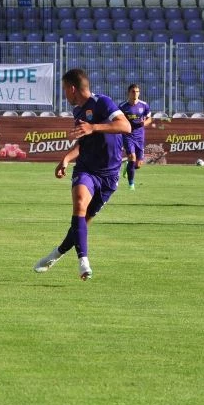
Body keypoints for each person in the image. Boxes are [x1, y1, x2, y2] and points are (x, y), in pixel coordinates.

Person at [33, 69, 131, 280]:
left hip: (109, 175)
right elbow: (83, 144)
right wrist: (67, 158)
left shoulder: (102, 102)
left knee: (81, 224)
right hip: (86, 169)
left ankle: (55, 254)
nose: (64, 95)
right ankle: (83, 261)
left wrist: (94, 127)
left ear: (72, 88)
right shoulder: (78, 112)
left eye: (64, 90)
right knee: (79, 204)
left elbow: (126, 126)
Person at [119, 84, 152, 190]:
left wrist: (144, 123)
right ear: (129, 92)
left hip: (140, 136)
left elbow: (149, 119)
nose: (135, 93)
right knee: (132, 157)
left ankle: (128, 165)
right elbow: (117, 119)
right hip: (128, 135)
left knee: (138, 164)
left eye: (137, 91)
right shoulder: (122, 106)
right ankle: (131, 185)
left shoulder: (144, 105)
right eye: (133, 91)